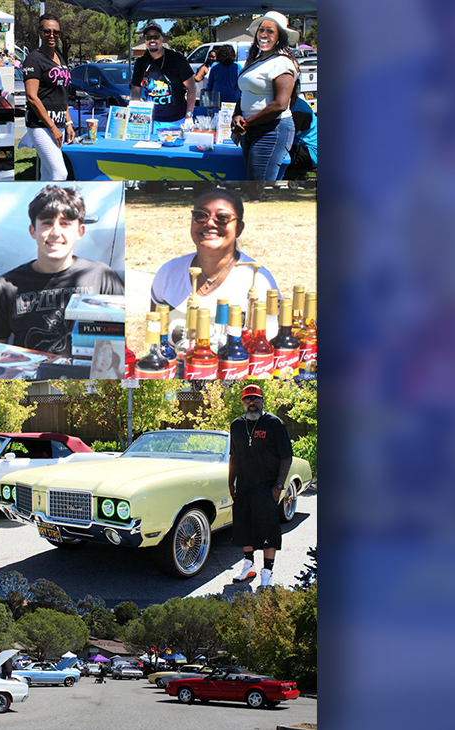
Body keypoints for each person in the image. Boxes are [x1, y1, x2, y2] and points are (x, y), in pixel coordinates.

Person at [0, 186, 124, 355]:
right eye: (47, 223)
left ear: (80, 232)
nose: (56, 233)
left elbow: (123, 342)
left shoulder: (102, 277)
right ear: (32, 231)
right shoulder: (5, 287)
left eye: (65, 224)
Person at [149, 188, 278, 341]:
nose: (210, 222)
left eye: (222, 217)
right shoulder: (168, 272)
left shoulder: (259, 280)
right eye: (200, 215)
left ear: (239, 228)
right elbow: (154, 338)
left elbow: (268, 349)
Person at [227, 384, 292, 589]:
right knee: (243, 528)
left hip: (267, 487)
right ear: (243, 403)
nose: (251, 402)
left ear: (262, 400)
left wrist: (279, 486)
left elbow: (286, 457)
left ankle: (267, 572)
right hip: (244, 487)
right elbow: (233, 456)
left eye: (255, 398)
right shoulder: (236, 425)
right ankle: (248, 565)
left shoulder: (274, 424)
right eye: (248, 399)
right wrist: (231, 481)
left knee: (268, 531)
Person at [233, 12, 300, 180]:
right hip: (251, 129)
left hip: (272, 129)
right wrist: (237, 115)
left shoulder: (282, 61)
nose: (263, 34)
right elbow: (245, 93)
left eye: (270, 31)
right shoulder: (257, 60)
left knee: (259, 185)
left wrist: (247, 123)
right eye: (261, 30)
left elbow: (280, 105)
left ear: (280, 37)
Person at [21, 13, 73, 181]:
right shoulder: (33, 59)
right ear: (40, 32)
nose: (52, 35)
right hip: (41, 125)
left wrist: (68, 123)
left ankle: (42, 202)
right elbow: (31, 97)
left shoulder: (60, 58)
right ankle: (55, 204)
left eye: (56, 32)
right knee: (60, 173)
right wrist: (52, 128)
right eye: (47, 31)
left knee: (48, 173)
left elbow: (62, 93)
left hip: (59, 124)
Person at [129, 23, 196, 124]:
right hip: (151, 121)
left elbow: (191, 87)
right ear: (145, 41)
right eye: (148, 37)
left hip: (177, 120)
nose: (152, 40)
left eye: (156, 36)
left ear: (162, 38)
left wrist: (189, 115)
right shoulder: (140, 63)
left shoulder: (177, 59)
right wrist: (135, 109)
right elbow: (136, 90)